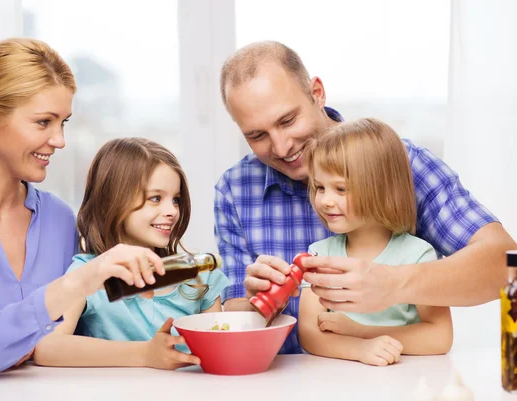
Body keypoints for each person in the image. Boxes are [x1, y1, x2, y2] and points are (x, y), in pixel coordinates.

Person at [215, 40, 515, 354]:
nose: (280, 147)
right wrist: (259, 305)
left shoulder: (398, 162)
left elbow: (504, 263)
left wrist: (392, 284)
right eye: (257, 135)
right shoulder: (235, 189)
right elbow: (237, 325)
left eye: (288, 120)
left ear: (317, 93)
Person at [0, 39, 162, 379]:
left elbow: (70, 336)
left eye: (64, 122)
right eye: (44, 122)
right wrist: (79, 281)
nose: (59, 139)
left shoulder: (60, 219)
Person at [33, 138, 229, 370]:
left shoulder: (199, 278)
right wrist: (145, 355)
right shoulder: (90, 276)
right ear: (112, 201)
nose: (171, 211)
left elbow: (220, 353)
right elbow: (47, 348)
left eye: (175, 200)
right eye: (155, 198)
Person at [298, 118, 453, 366]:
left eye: (340, 189)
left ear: (381, 189)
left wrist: (360, 332)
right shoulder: (320, 256)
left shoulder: (417, 255)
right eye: (319, 187)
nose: (325, 201)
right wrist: (360, 350)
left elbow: (440, 337)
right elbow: (308, 334)